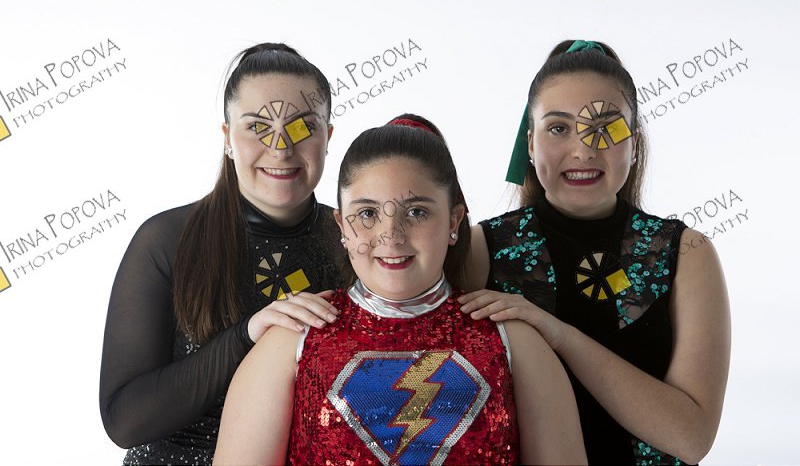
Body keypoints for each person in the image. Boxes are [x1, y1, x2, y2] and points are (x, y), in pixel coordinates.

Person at [214, 116, 587, 465]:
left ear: (454, 220)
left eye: (416, 212)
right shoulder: (290, 344)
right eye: (368, 213)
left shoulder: (514, 342)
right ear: (341, 226)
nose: (391, 236)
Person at [461, 40, 731, 465]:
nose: (583, 149)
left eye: (606, 128)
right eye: (559, 128)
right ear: (530, 144)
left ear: (634, 143)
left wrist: (560, 335)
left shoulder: (687, 254)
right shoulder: (482, 249)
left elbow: (691, 438)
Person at [99, 43, 347, 465]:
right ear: (228, 137)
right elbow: (125, 421)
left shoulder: (355, 240)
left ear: (328, 137)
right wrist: (245, 334)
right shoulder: (166, 240)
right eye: (257, 127)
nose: (281, 147)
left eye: (303, 126)